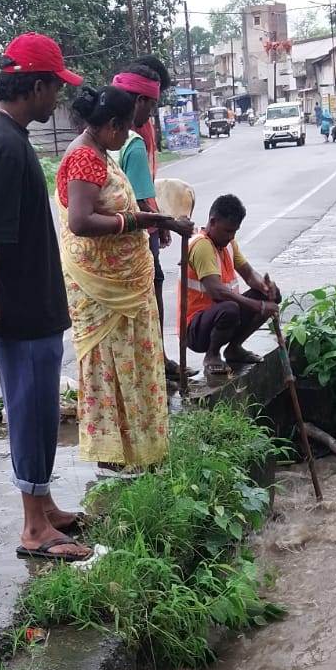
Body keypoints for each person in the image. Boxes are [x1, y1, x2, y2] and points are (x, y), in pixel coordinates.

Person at [0, 34, 91, 562]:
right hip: (20, 314)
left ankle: (44, 507)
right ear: (35, 87)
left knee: (40, 413)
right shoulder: (2, 145)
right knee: (29, 411)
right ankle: (33, 529)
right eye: (54, 90)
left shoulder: (9, 140)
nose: (57, 101)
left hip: (33, 304)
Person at [56, 85, 192, 469]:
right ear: (112, 125)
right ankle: (115, 453)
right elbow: (80, 222)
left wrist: (157, 220)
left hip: (123, 283)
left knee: (130, 360)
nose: (128, 135)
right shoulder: (84, 157)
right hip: (103, 289)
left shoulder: (99, 151)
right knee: (109, 364)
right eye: (126, 128)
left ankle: (135, 445)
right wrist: (143, 220)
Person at [111, 62, 191, 383]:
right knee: (150, 291)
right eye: (152, 104)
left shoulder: (104, 136)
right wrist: (167, 224)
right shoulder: (132, 142)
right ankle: (155, 358)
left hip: (118, 235)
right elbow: (142, 197)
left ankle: (147, 360)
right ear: (138, 101)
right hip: (137, 234)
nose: (153, 112)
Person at [184, 194, 281, 380]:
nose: (231, 237)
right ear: (213, 222)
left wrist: (265, 287)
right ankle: (212, 355)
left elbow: (249, 274)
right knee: (230, 308)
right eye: (228, 231)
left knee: (271, 297)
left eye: (234, 232)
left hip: (223, 317)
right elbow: (217, 292)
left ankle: (234, 348)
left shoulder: (229, 244)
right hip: (196, 329)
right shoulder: (202, 246)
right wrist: (258, 307)